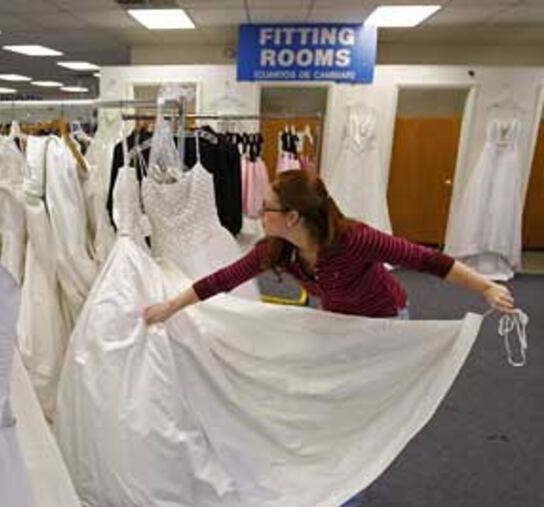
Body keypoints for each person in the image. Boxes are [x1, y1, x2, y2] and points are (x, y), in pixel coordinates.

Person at [143, 170, 514, 507]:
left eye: (266, 207)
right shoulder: (277, 249)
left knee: (363, 415)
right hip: (338, 327)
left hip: (386, 327)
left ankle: (351, 488)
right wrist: (172, 305)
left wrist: (485, 287)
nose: (258, 213)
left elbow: (429, 261)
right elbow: (224, 278)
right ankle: (337, 481)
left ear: (292, 217)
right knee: (333, 407)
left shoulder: (356, 239)